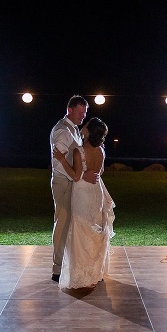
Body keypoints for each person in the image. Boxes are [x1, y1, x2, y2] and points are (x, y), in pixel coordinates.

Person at [52, 117, 115, 290]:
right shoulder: (101, 151)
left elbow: (75, 176)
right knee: (94, 228)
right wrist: (89, 171)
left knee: (80, 229)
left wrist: (61, 159)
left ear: (87, 132)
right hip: (96, 192)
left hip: (82, 193)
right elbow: (100, 171)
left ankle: (81, 273)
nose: (83, 126)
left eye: (86, 126)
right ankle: (96, 271)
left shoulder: (79, 151)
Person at [49, 95, 98, 282]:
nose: (83, 116)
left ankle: (68, 264)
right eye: (80, 112)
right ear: (69, 110)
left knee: (70, 224)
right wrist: (80, 175)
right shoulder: (62, 130)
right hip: (63, 182)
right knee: (62, 223)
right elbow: (58, 163)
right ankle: (57, 269)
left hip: (72, 182)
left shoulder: (74, 130)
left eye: (85, 113)